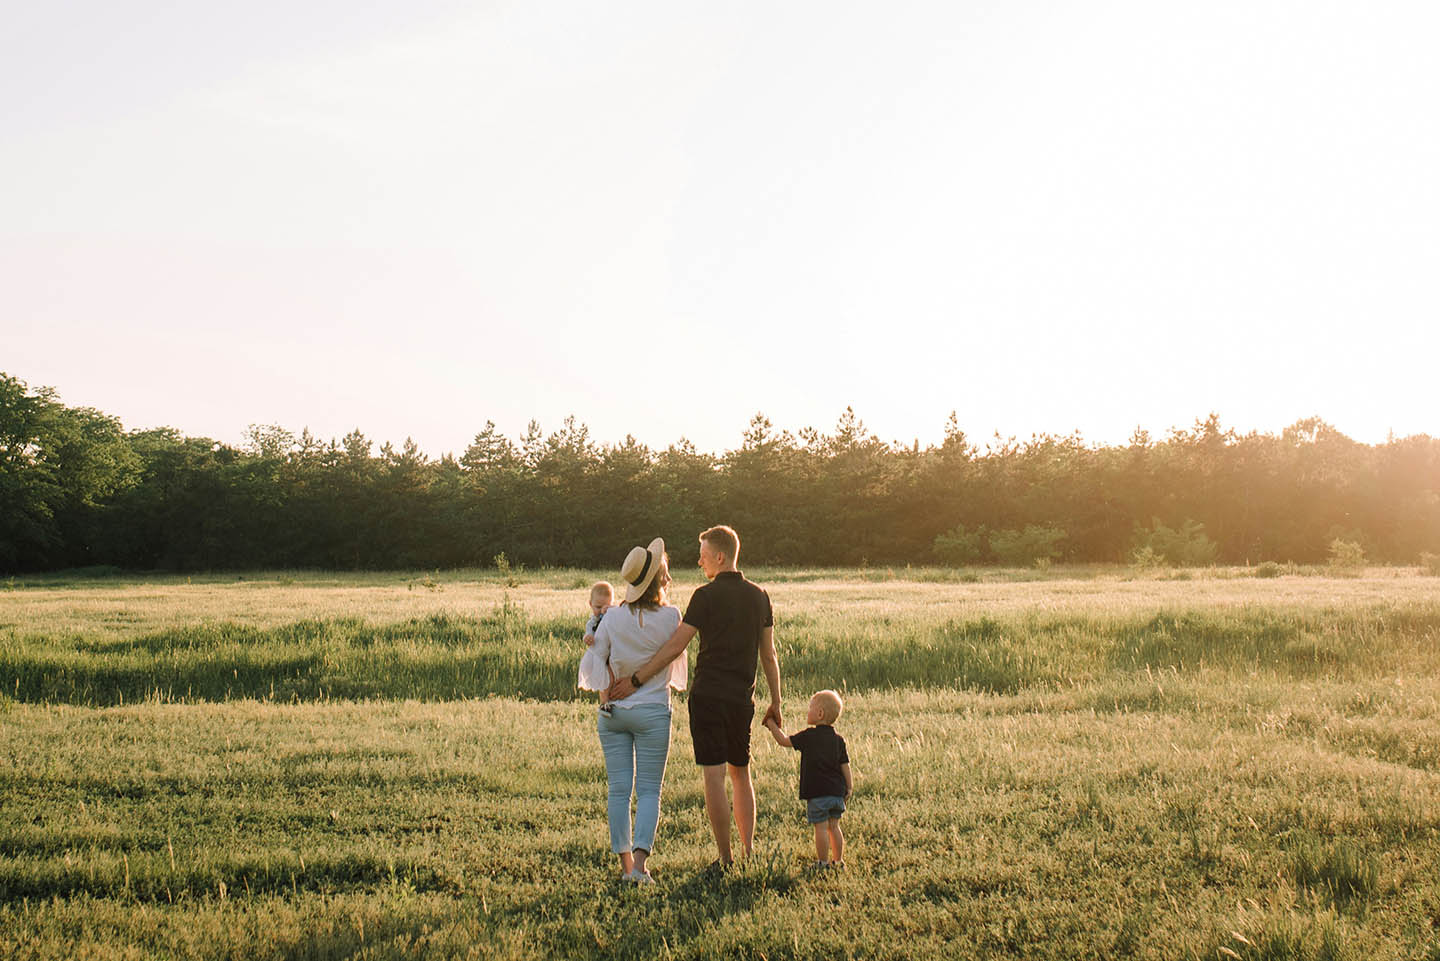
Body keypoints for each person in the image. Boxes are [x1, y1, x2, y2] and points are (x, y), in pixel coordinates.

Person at [607, 525, 781, 868]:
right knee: (741, 773)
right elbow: (769, 654)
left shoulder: (704, 596)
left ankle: (726, 858)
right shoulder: (760, 595)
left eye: (703, 554)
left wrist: (637, 679)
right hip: (742, 698)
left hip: (707, 697)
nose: (699, 560)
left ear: (720, 556)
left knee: (714, 775)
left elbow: (675, 646)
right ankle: (748, 854)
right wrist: (776, 700)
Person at [588, 539, 687, 883]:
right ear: (659, 579)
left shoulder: (611, 617)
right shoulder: (673, 616)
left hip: (613, 712)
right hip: (653, 712)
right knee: (648, 791)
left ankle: (624, 866)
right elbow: (675, 669)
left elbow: (594, 662)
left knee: (618, 790)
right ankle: (641, 867)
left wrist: (605, 697)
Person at [762, 689, 852, 869]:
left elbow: (784, 741)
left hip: (818, 794)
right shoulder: (838, 740)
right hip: (836, 794)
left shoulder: (808, 736)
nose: (807, 711)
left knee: (820, 828)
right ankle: (838, 861)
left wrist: (771, 724)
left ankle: (823, 862)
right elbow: (845, 765)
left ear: (820, 714)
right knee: (834, 827)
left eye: (810, 707)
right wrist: (849, 787)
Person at [576, 580, 615, 715]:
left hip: (612, 653)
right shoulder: (592, 622)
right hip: (598, 653)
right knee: (603, 679)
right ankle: (604, 703)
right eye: (598, 607)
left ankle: (615, 700)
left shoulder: (613, 615)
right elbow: (589, 633)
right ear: (590, 604)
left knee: (613, 676)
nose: (601, 610)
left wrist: (611, 611)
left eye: (606, 606)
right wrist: (588, 638)